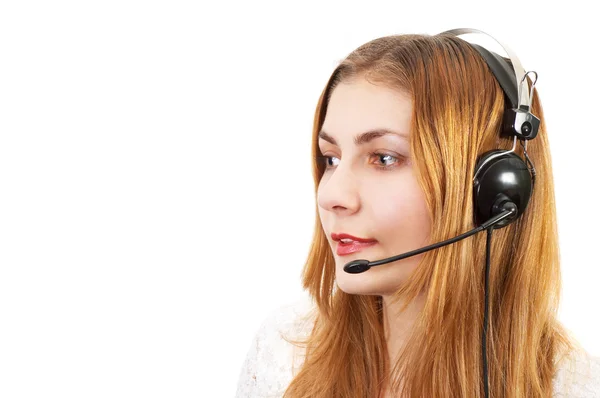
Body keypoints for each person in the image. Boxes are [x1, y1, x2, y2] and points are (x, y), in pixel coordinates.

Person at [235, 30, 600, 397]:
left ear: (492, 190)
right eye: (331, 159)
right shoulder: (287, 354)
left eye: (384, 158)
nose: (331, 195)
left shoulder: (572, 386)